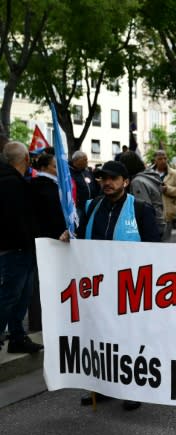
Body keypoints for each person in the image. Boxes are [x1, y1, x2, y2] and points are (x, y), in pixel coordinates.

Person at [76, 160, 161, 411]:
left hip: (131, 288)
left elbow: (155, 248)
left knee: (130, 338)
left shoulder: (141, 210)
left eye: (113, 179)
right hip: (98, 287)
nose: (107, 183)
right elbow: (81, 239)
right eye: (103, 178)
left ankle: (132, 387)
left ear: (126, 182)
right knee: (102, 338)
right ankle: (102, 387)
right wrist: (66, 238)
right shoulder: (91, 207)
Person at [0, 141, 44, 353]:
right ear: (26, 159)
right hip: (16, 249)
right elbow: (19, 220)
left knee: (22, 295)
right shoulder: (13, 184)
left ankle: (17, 337)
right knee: (11, 296)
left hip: (18, 248)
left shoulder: (12, 180)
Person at [28, 152, 68, 332]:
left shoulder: (41, 185)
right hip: (50, 242)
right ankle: (39, 324)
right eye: (54, 166)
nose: (57, 170)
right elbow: (53, 216)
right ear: (44, 168)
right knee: (42, 285)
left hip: (46, 241)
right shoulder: (46, 187)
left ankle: (40, 322)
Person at [128, 151, 166, 237]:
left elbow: (144, 210)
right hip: (159, 220)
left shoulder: (137, 182)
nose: (163, 161)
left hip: (150, 226)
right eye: (160, 159)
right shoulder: (149, 175)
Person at [152, 150, 176, 241]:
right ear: (155, 160)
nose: (163, 161)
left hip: (167, 213)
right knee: (152, 241)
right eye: (160, 159)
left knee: (166, 241)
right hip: (152, 212)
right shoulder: (149, 173)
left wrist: (168, 189)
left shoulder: (174, 174)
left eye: (165, 158)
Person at [69, 150, 100, 222]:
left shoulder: (87, 171)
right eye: (85, 160)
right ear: (76, 160)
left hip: (90, 205)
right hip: (78, 207)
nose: (87, 161)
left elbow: (94, 184)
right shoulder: (69, 173)